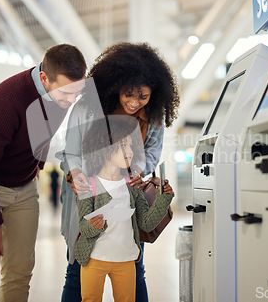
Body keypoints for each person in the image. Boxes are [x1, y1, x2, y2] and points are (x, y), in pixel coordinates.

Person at [0, 44, 87, 302]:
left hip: (22, 187)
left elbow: (44, 129)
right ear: (44, 78)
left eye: (76, 93)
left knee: (20, 271)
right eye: (66, 93)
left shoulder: (62, 93)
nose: (71, 101)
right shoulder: (6, 101)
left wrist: (37, 163)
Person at [59, 42, 180, 301]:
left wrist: (136, 169)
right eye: (129, 94)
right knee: (77, 267)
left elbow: (152, 154)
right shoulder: (87, 107)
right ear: (115, 87)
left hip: (127, 196)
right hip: (85, 193)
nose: (135, 102)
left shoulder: (154, 116)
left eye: (143, 96)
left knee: (134, 267)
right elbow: (70, 152)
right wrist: (78, 174)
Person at [75, 116, 174, 302]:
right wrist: (94, 225)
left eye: (130, 146)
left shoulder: (133, 186)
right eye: (123, 146)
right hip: (94, 259)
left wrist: (164, 198)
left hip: (126, 260)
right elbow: (83, 227)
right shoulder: (89, 186)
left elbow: (146, 222)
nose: (129, 151)